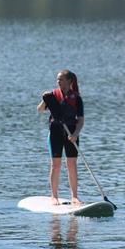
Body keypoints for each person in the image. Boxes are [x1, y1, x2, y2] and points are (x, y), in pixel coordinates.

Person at [37, 70, 84, 205]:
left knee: (71, 165)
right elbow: (40, 110)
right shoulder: (53, 96)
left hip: (72, 133)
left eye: (61, 79)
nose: (58, 82)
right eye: (58, 79)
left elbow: (81, 120)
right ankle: (54, 196)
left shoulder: (77, 98)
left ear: (70, 81)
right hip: (55, 132)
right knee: (56, 165)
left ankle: (74, 196)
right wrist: (44, 100)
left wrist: (75, 134)